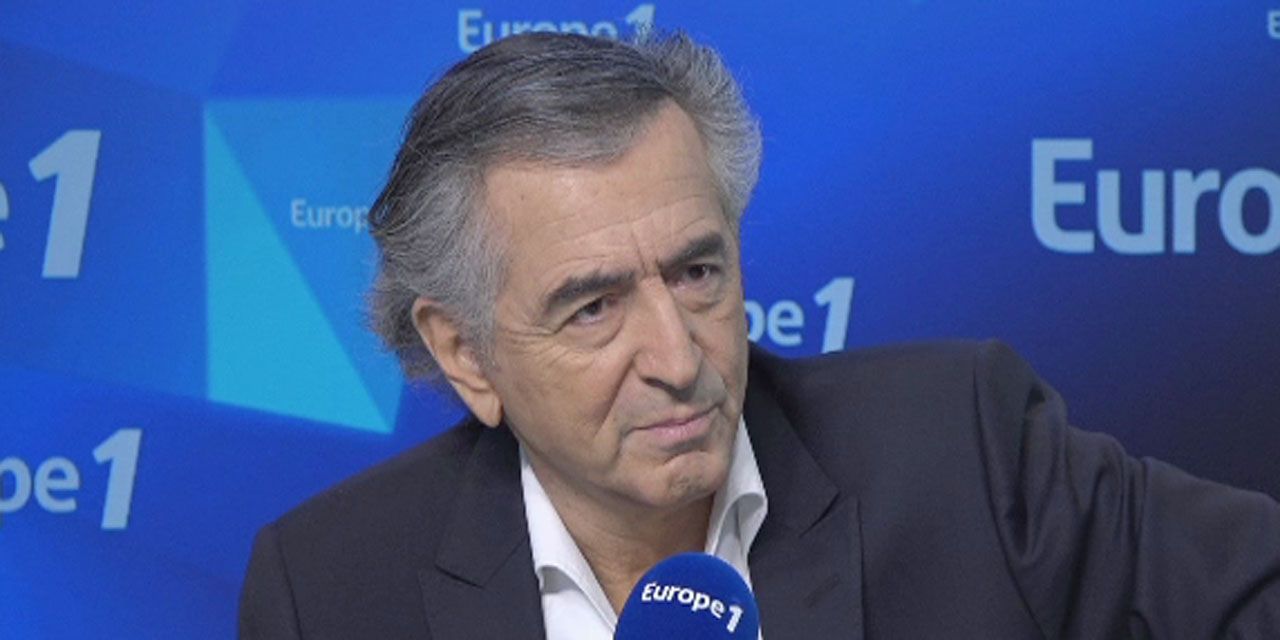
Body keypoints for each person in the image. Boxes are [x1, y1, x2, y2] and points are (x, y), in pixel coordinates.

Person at [239, 32, 1280, 639]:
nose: (678, 358)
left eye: (697, 273)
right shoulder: (329, 586)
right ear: (465, 352)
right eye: (593, 307)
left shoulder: (962, 448)